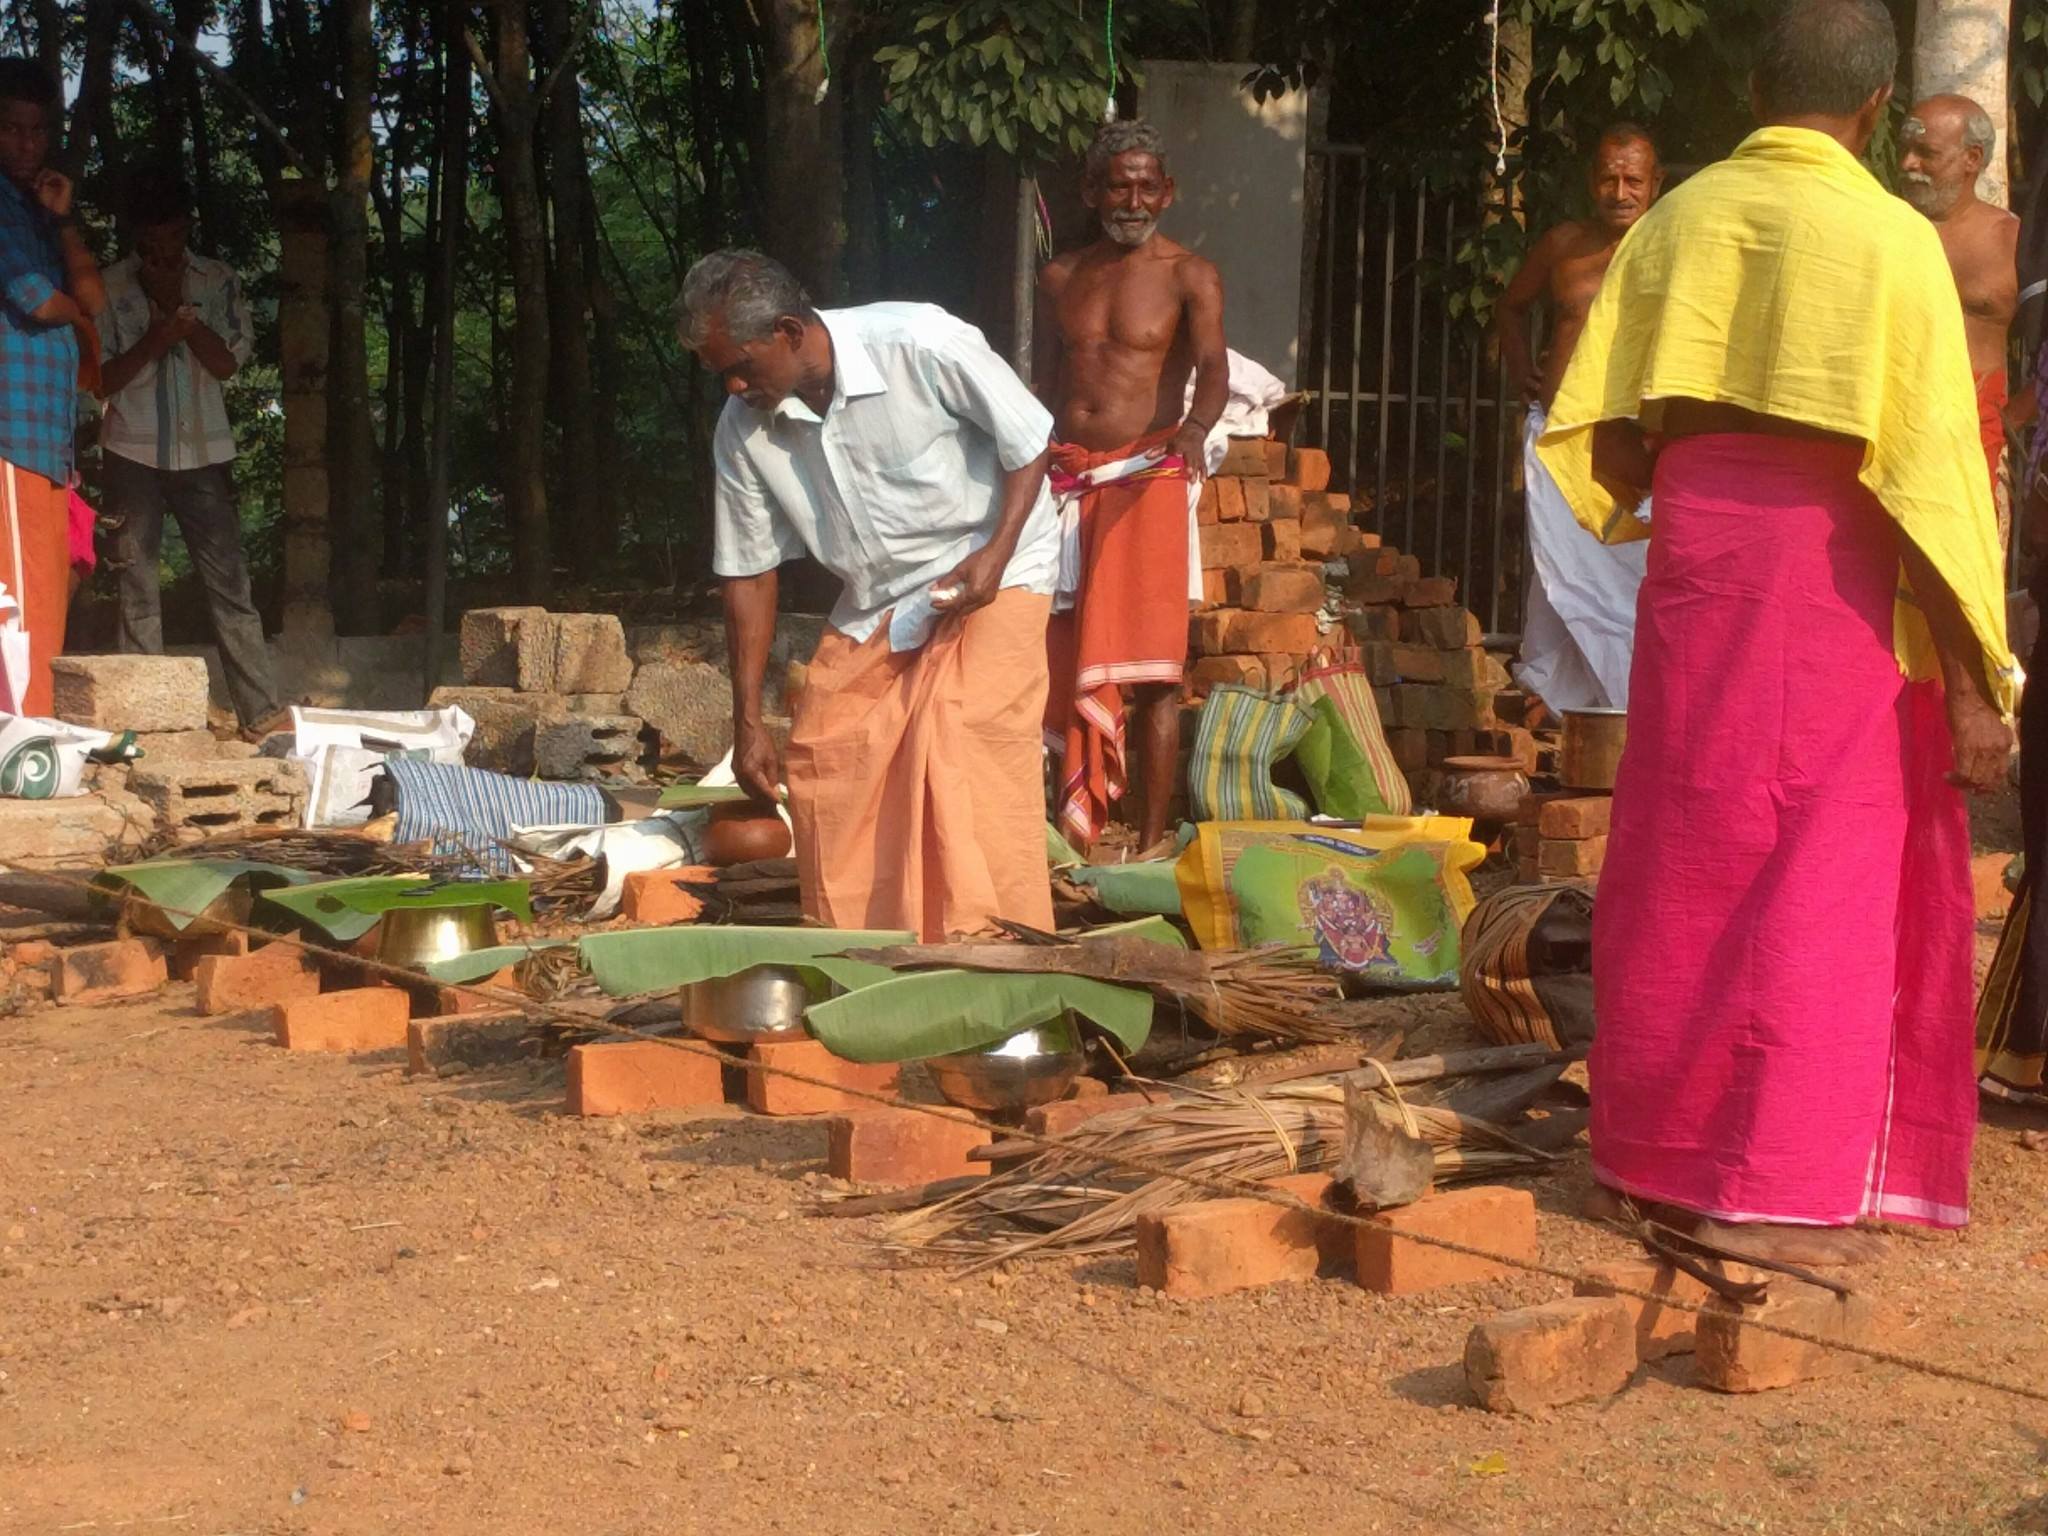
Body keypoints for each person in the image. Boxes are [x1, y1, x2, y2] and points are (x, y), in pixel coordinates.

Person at [1538, 0, 2015, 1265]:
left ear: (1751, 84)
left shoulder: (1677, 219)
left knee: (1684, 836)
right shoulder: (1888, 240)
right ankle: (1790, 1164)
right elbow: (1918, 475)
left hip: (1701, 561)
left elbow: (1613, 436)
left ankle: (1650, 1146)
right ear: (1871, 109)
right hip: (1838, 573)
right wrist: (1972, 676)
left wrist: (1713, 467)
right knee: (1822, 855)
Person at [680, 249, 1060, 941]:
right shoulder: (742, 430)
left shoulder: (920, 342)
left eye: (743, 365)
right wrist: (748, 722)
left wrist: (994, 554)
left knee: (963, 737)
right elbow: (748, 571)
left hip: (1001, 563)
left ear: (791, 331)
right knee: (828, 751)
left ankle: (998, 951)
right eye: (721, 374)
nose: (734, 387)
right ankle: (868, 954)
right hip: (881, 594)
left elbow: (1030, 441)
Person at [1034, 118, 1226, 856]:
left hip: (1148, 475)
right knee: (1060, 658)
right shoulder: (1060, 277)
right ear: (1093, 190)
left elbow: (1213, 369)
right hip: (1069, 481)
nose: (1134, 198)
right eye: (1119, 183)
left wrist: (1195, 428)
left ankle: (1147, 841)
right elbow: (1047, 378)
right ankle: (1070, 834)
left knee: (1153, 674)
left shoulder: (1190, 273)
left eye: (1148, 184)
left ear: (1168, 191)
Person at [97, 169, 283, 737]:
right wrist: (156, 333)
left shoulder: (218, 280)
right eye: (153, 241)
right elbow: (100, 379)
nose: (165, 249)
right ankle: (148, 724)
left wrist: (179, 310)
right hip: (131, 450)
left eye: (174, 237)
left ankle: (261, 713)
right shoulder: (106, 287)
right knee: (137, 585)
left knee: (230, 583)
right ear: (136, 235)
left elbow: (227, 364)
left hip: (203, 451)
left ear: (186, 229)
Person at [1496, 126, 1663, 713]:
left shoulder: (1675, 250)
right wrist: (1523, 374)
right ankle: (1558, 703)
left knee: (1628, 581)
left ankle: (1630, 708)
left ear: (1656, 184)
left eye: (1633, 180)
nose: (1620, 191)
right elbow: (1511, 307)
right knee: (1561, 571)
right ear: (1592, 182)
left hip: (1632, 449)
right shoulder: (1563, 246)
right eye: (1608, 178)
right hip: (1558, 435)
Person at [0, 58, 103, 716]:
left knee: (43, 587)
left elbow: (93, 294)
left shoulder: (39, 211)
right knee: (11, 594)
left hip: (46, 440)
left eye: (37, 131)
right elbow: (39, 300)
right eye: (10, 128)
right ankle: (16, 731)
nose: (25, 143)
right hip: (7, 428)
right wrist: (80, 319)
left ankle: (31, 728)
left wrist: (64, 220)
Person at [1901, 94, 2020, 547]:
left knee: (1960, 575)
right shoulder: (1882, 227)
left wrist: (2015, 413)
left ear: (1972, 159)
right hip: (1886, 429)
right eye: (1905, 150)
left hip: (1974, 438)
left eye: (1926, 154)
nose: (1910, 163)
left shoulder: (2012, 240)